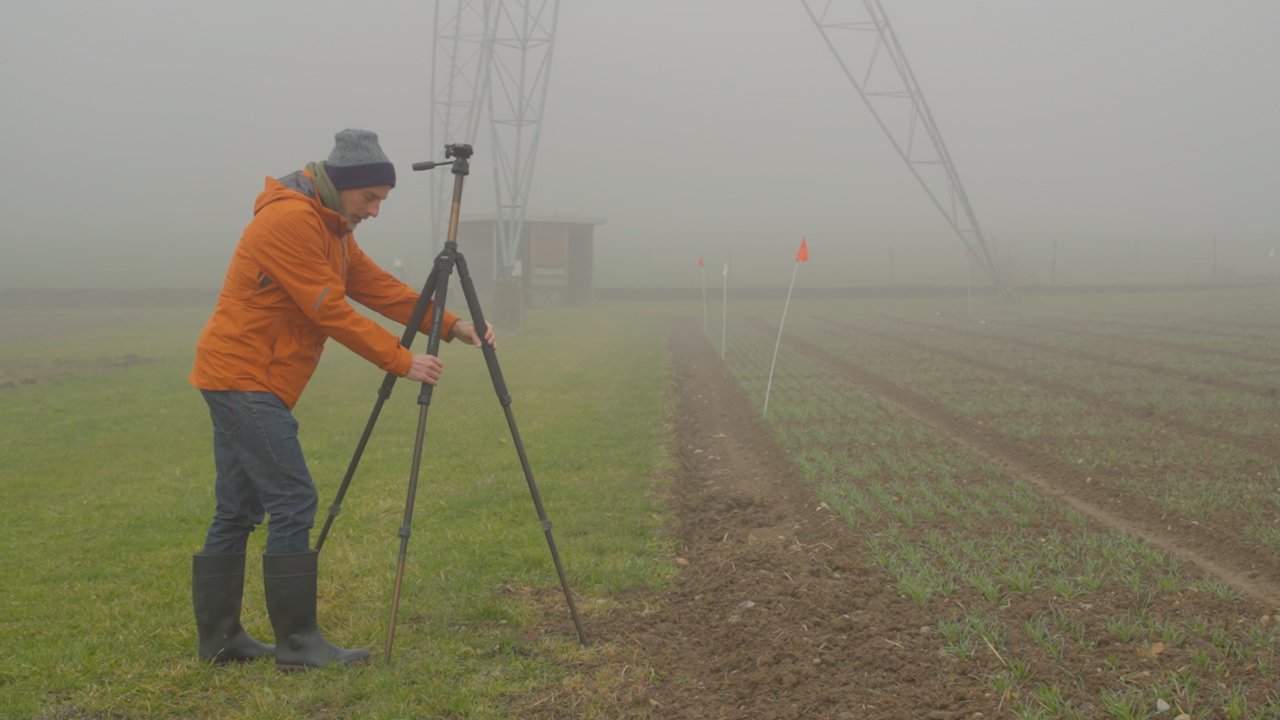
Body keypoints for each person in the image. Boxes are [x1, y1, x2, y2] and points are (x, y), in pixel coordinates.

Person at [187, 129, 494, 671]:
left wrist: (451, 325)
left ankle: (221, 642)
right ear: (342, 185)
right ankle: (300, 647)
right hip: (243, 377)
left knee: (237, 510)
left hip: (248, 376)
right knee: (293, 500)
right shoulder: (290, 221)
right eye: (369, 198)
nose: (374, 210)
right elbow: (328, 307)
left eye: (381, 200)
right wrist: (401, 361)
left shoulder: (330, 225)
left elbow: (376, 287)